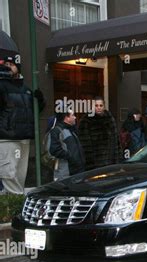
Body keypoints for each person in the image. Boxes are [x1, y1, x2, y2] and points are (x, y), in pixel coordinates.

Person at [0, 54, 45, 194]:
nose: (8, 67)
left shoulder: (26, 89)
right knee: (9, 174)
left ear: (17, 68)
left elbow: (35, 111)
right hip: (7, 137)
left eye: (11, 64)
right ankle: (18, 204)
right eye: (5, 64)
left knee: (19, 176)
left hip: (24, 139)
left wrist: (40, 100)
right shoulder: (1, 86)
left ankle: (11, 208)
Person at [78, 96, 120, 170]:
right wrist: (90, 164)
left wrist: (117, 159)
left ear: (104, 106)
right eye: (96, 105)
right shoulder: (86, 120)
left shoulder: (109, 119)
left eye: (101, 105)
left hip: (110, 162)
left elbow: (116, 141)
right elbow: (85, 146)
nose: (99, 108)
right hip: (95, 164)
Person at [49, 110, 85, 181]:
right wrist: (70, 156)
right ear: (67, 118)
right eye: (73, 115)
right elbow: (54, 150)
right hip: (67, 172)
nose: (75, 117)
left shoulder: (71, 130)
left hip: (77, 171)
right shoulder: (57, 131)